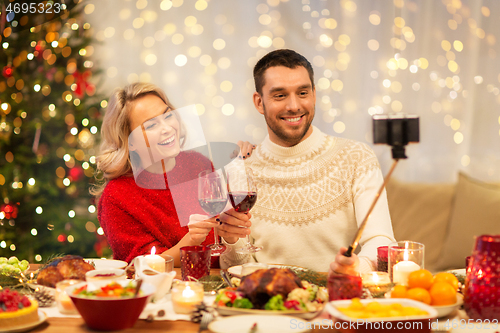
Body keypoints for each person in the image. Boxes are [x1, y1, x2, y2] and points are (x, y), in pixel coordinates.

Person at [218, 49, 396, 275]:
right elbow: (236, 267)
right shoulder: (240, 168)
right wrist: (232, 240)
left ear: (314, 94)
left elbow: (382, 242)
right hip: (267, 304)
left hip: (338, 299)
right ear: (259, 102)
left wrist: (356, 267)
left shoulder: (357, 157)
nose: (294, 106)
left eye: (302, 93)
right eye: (280, 95)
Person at [92, 82, 252, 265]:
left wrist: (230, 234)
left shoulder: (198, 164)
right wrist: (192, 240)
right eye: (151, 125)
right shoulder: (117, 196)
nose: (167, 128)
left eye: (167, 115)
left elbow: (223, 250)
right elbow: (141, 267)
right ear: (130, 141)